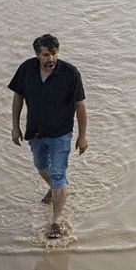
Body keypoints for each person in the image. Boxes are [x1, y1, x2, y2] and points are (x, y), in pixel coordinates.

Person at [9, 34, 88, 240]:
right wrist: (15, 127)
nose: (50, 58)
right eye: (45, 55)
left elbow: (80, 105)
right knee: (40, 165)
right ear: (37, 55)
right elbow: (18, 96)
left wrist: (82, 136)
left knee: (58, 173)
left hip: (61, 134)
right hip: (35, 132)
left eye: (53, 53)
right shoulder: (26, 69)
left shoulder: (70, 73)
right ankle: (55, 189)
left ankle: (56, 222)